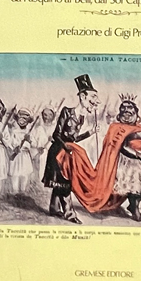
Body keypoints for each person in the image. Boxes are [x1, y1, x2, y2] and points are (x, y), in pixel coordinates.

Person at [55, 96, 141, 222]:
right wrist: (138, 156)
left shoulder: (140, 127)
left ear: (136, 114)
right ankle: (134, 206)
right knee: (133, 182)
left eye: (130, 109)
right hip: (123, 164)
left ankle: (134, 205)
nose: (126, 112)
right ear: (119, 115)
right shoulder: (116, 128)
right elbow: (122, 147)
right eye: (123, 110)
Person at [43, 75, 100, 222]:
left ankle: (54, 208)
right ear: (82, 96)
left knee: (62, 181)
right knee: (64, 183)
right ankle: (69, 214)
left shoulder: (81, 118)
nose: (96, 101)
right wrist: (66, 146)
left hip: (68, 151)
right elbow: (56, 135)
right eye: (93, 97)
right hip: (58, 152)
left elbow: (73, 139)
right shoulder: (67, 112)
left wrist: (90, 133)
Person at [4, 109, 35, 195]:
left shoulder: (29, 132)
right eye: (20, 118)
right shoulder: (14, 132)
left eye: (25, 119)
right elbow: (10, 142)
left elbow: (34, 144)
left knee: (24, 174)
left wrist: (29, 140)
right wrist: (15, 148)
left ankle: (23, 192)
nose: (22, 121)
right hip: (16, 155)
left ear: (28, 121)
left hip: (25, 156)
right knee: (15, 174)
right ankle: (15, 192)